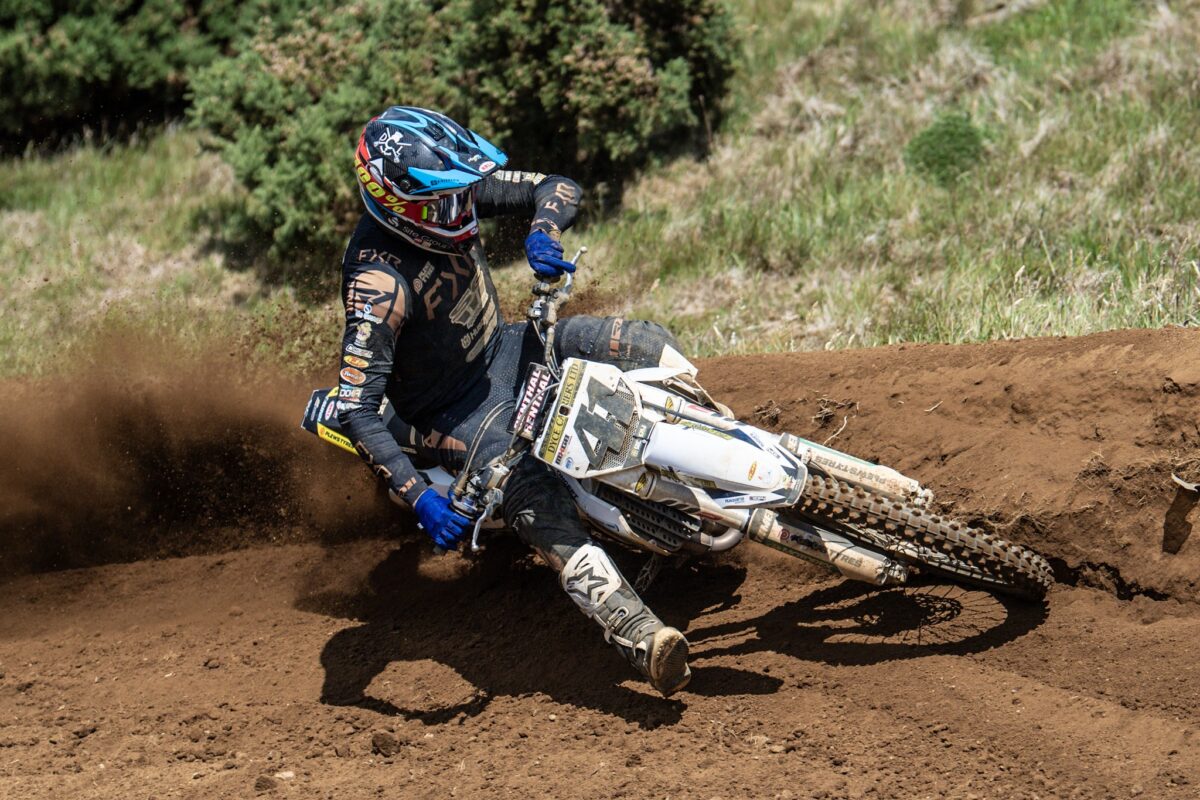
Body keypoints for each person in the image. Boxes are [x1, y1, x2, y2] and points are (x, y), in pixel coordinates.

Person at [336, 106, 693, 696]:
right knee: (531, 490)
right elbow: (353, 407)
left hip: (508, 346)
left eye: (459, 194)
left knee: (646, 342)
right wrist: (422, 499)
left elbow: (555, 184)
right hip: (458, 412)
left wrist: (542, 231)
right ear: (399, 204)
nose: (460, 208)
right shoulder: (376, 284)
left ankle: (714, 445)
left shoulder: (450, 196)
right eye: (442, 201)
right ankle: (637, 630)